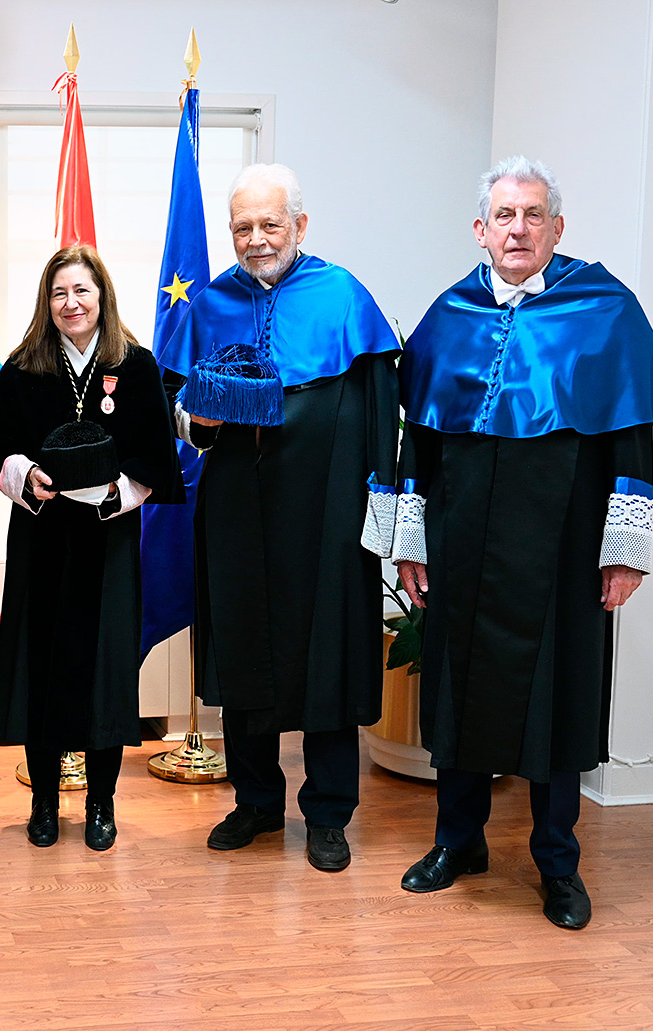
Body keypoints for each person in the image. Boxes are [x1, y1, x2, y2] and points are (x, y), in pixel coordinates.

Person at [393, 157, 653, 929]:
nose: (518, 228)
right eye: (504, 215)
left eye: (533, 215)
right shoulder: (449, 315)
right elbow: (419, 440)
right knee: (457, 689)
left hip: (563, 547)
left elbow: (631, 438)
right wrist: (411, 539)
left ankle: (558, 862)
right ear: (481, 230)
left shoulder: (604, 310)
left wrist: (624, 548)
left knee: (559, 700)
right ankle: (457, 842)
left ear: (557, 228)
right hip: (462, 539)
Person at [160, 164, 401, 872]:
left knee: (327, 654)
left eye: (270, 224)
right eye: (243, 227)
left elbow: (380, 411)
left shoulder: (342, 295)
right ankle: (257, 802)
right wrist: (197, 423)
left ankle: (328, 813)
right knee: (245, 650)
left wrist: (383, 510)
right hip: (237, 507)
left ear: (300, 225)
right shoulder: (209, 303)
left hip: (327, 511)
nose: (257, 239)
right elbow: (175, 406)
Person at [0, 246, 183, 851]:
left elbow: (156, 453)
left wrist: (120, 491)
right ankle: (43, 802)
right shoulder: (24, 367)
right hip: (42, 539)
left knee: (105, 672)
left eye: (81, 291)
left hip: (107, 540)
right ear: (48, 302)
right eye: (59, 293)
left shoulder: (135, 366)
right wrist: (23, 474)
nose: (71, 303)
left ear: (102, 296)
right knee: (39, 668)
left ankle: (100, 804)